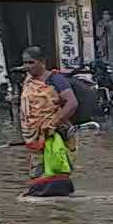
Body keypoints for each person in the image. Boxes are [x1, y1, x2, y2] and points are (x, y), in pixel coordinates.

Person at [18, 47, 79, 196]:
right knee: (38, 175)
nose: (27, 66)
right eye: (25, 63)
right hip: (35, 135)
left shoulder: (55, 79)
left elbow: (72, 103)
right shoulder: (29, 81)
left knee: (56, 170)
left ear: (42, 62)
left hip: (54, 134)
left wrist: (53, 124)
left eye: (31, 62)